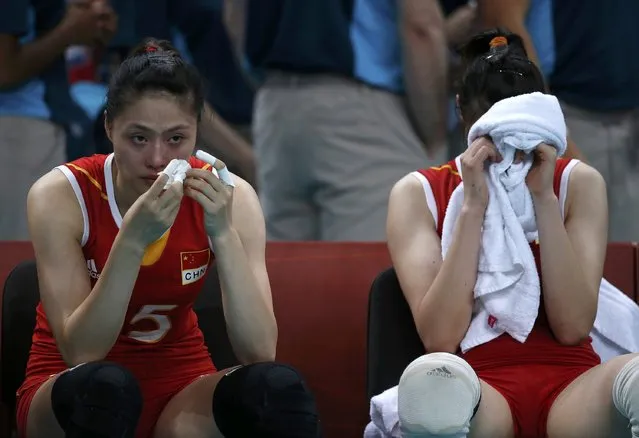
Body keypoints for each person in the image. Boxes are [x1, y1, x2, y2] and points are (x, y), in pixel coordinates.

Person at [16, 39, 321, 438]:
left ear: (197, 129)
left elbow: (260, 352)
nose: (158, 158)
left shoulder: (232, 196)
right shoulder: (62, 194)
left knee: (277, 393)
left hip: (180, 378)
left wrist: (223, 236)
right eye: (138, 138)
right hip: (71, 382)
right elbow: (83, 354)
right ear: (109, 126)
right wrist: (131, 241)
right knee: (103, 393)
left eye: (176, 138)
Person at [386, 29, 639, 438]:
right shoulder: (418, 192)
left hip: (574, 387)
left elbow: (572, 325)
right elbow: (439, 336)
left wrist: (542, 198)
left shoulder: (578, 183)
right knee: (432, 383)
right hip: (481, 386)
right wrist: (473, 206)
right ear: (464, 118)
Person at [223, 0, 448, 241]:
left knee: (289, 272)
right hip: (361, 114)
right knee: (373, 271)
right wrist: (434, 131)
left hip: (275, 107)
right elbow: (421, 25)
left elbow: (235, 19)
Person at [0, 0, 117, 241]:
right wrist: (69, 31)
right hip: (19, 135)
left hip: (35, 128)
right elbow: (4, 70)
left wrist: (80, 18)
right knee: (21, 258)